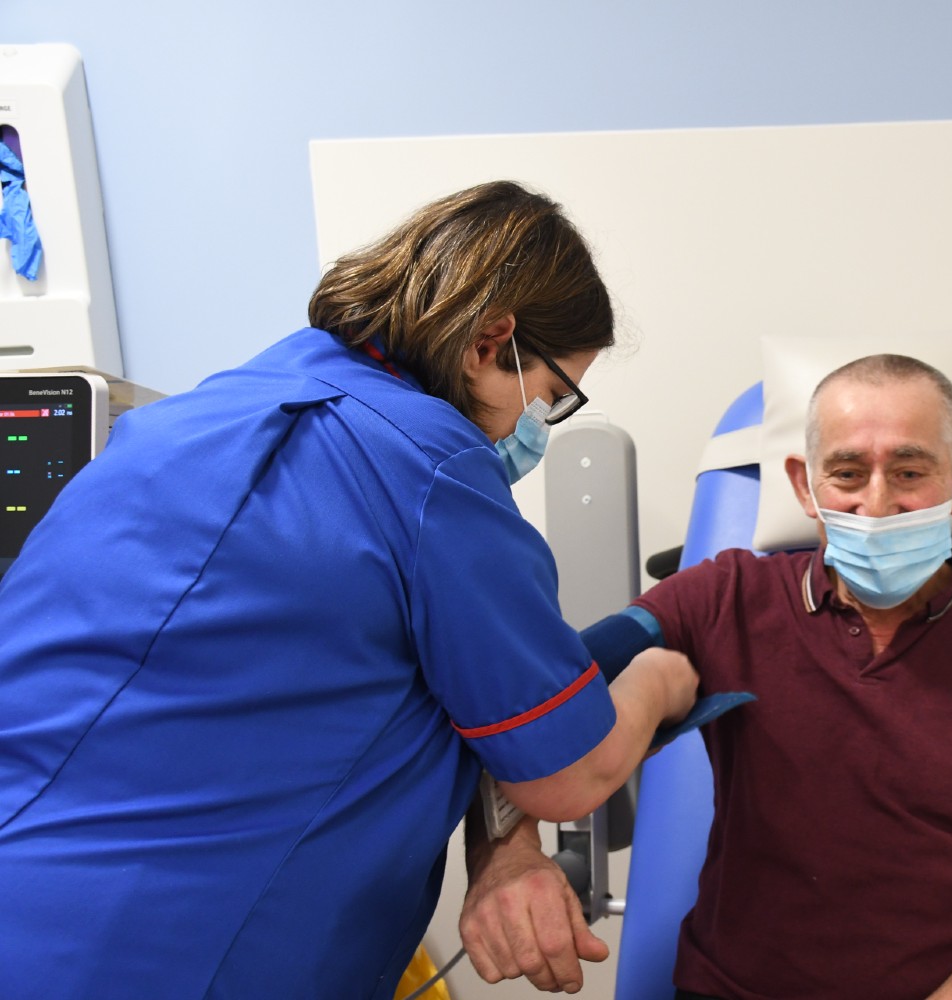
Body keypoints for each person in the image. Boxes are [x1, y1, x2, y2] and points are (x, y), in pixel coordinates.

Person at [0, 180, 697, 997]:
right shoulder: (435, 469)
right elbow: (566, 773)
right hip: (162, 954)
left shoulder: (205, 409)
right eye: (551, 397)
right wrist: (661, 680)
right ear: (491, 342)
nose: (531, 428)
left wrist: (504, 843)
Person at [466, 353, 952, 999]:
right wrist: (509, 855)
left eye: (910, 471)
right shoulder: (724, 599)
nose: (877, 505)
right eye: (847, 473)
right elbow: (524, 706)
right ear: (803, 485)